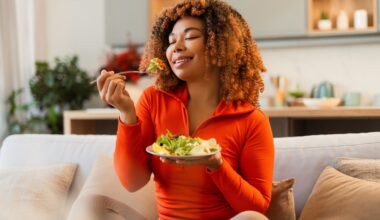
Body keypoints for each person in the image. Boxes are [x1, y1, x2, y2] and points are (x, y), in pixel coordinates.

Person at [97, 0, 274, 219]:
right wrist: (126, 115)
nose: (176, 47)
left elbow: (257, 207)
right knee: (93, 204)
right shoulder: (154, 100)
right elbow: (132, 182)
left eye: (190, 37)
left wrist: (217, 166)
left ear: (222, 46)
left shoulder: (251, 120)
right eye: (171, 41)